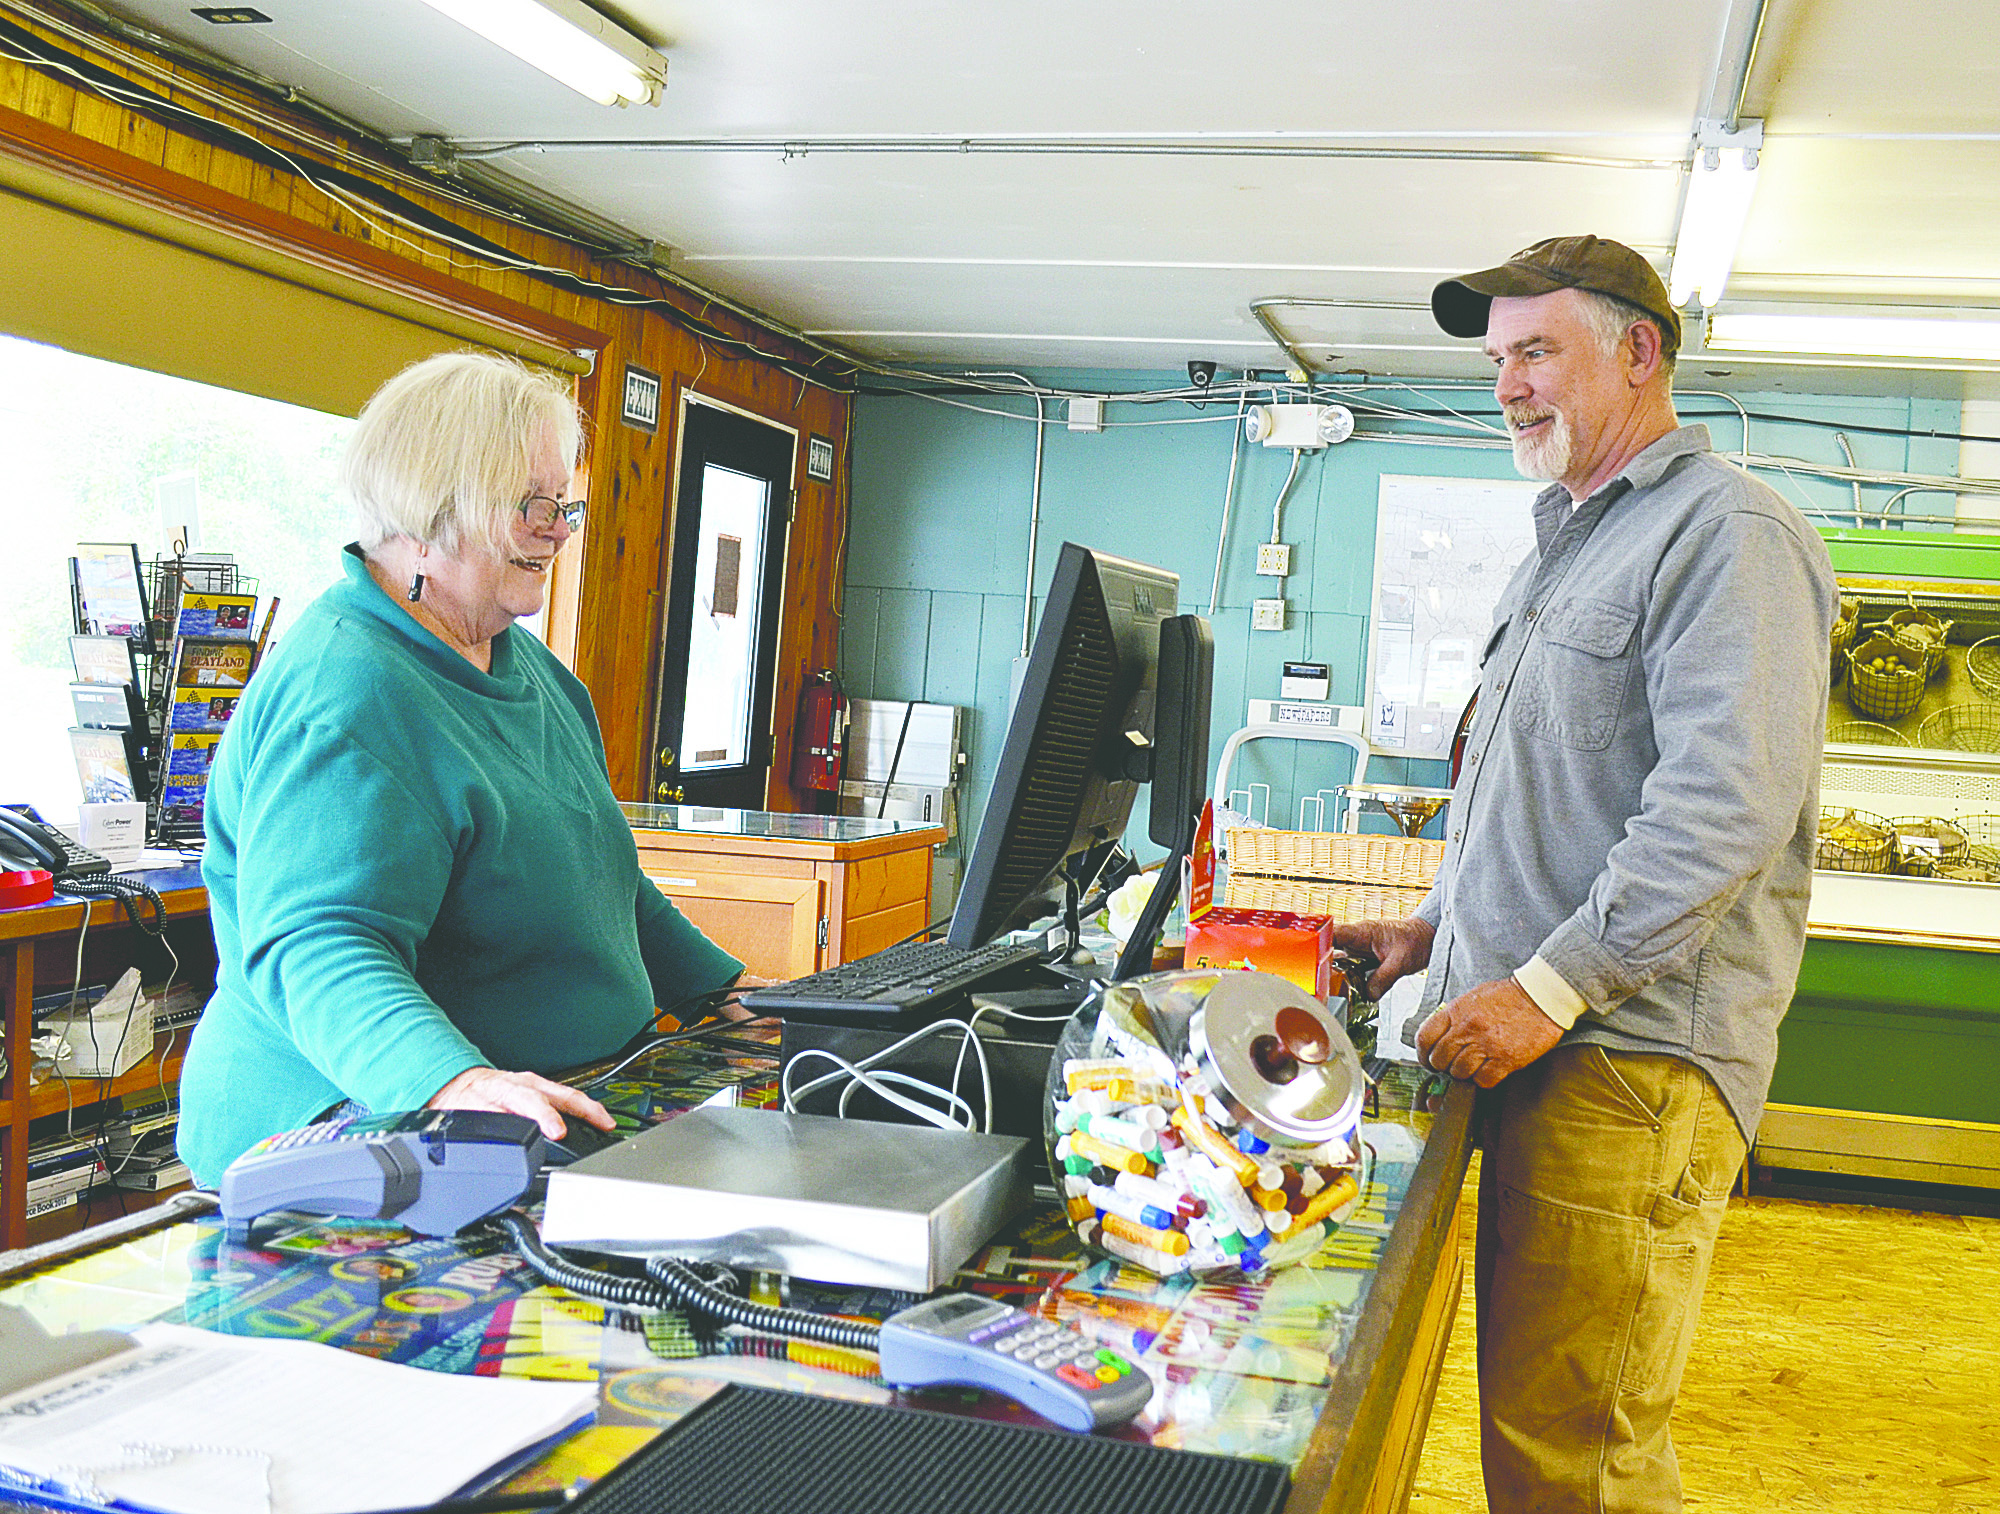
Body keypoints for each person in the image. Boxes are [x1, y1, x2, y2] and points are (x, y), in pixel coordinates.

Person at [1330, 236, 1836, 1512]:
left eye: (1534, 350)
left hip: (1629, 1062)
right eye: (1496, 358)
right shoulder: (1563, 543)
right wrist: (1433, 931)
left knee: (1578, 1447)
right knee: (1538, 1428)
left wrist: (1546, 988)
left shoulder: (1726, 535)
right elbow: (1545, 791)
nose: (1505, 383)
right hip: (1540, 1040)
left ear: (1638, 351)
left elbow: (1721, 804)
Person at [178, 351, 744, 1186]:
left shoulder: (526, 668)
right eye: (531, 506)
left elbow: (603, 879)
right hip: (356, 1123)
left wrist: (722, 993)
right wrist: (453, 1082)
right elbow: (320, 943)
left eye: (564, 504)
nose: (557, 528)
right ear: (428, 515)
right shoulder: (349, 691)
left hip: (556, 1092)